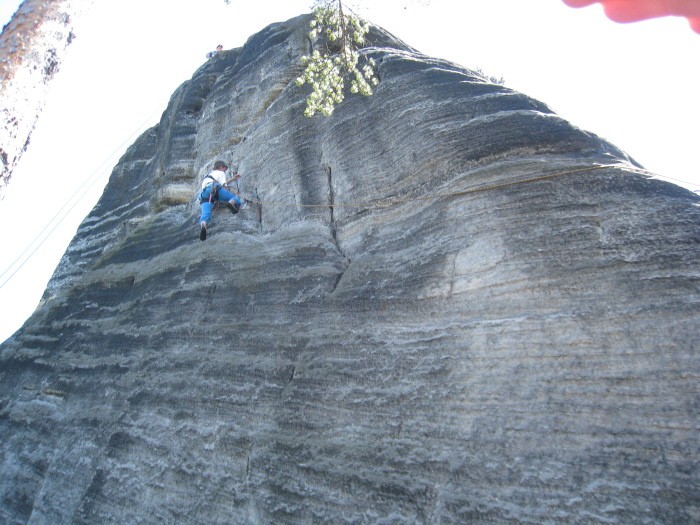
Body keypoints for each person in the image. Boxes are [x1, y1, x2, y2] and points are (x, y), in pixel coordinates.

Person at [198, 160, 242, 241]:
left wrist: (233, 178)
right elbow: (223, 186)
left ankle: (203, 225)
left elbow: (217, 183)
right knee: (236, 199)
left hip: (204, 194)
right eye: (224, 168)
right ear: (219, 167)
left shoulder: (208, 175)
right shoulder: (221, 173)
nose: (225, 170)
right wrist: (227, 192)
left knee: (205, 213)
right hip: (215, 189)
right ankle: (230, 203)